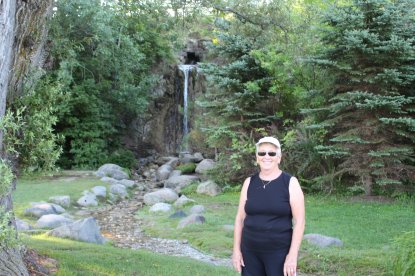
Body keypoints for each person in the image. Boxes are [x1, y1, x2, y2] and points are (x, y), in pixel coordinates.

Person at [232, 137, 305, 276]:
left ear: (279, 158)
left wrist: (292, 255)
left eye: (271, 153)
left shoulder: (290, 183)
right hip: (250, 252)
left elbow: (299, 221)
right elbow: (240, 218)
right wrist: (236, 250)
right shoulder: (249, 182)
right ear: (257, 157)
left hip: (279, 253)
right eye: (262, 153)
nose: (266, 157)